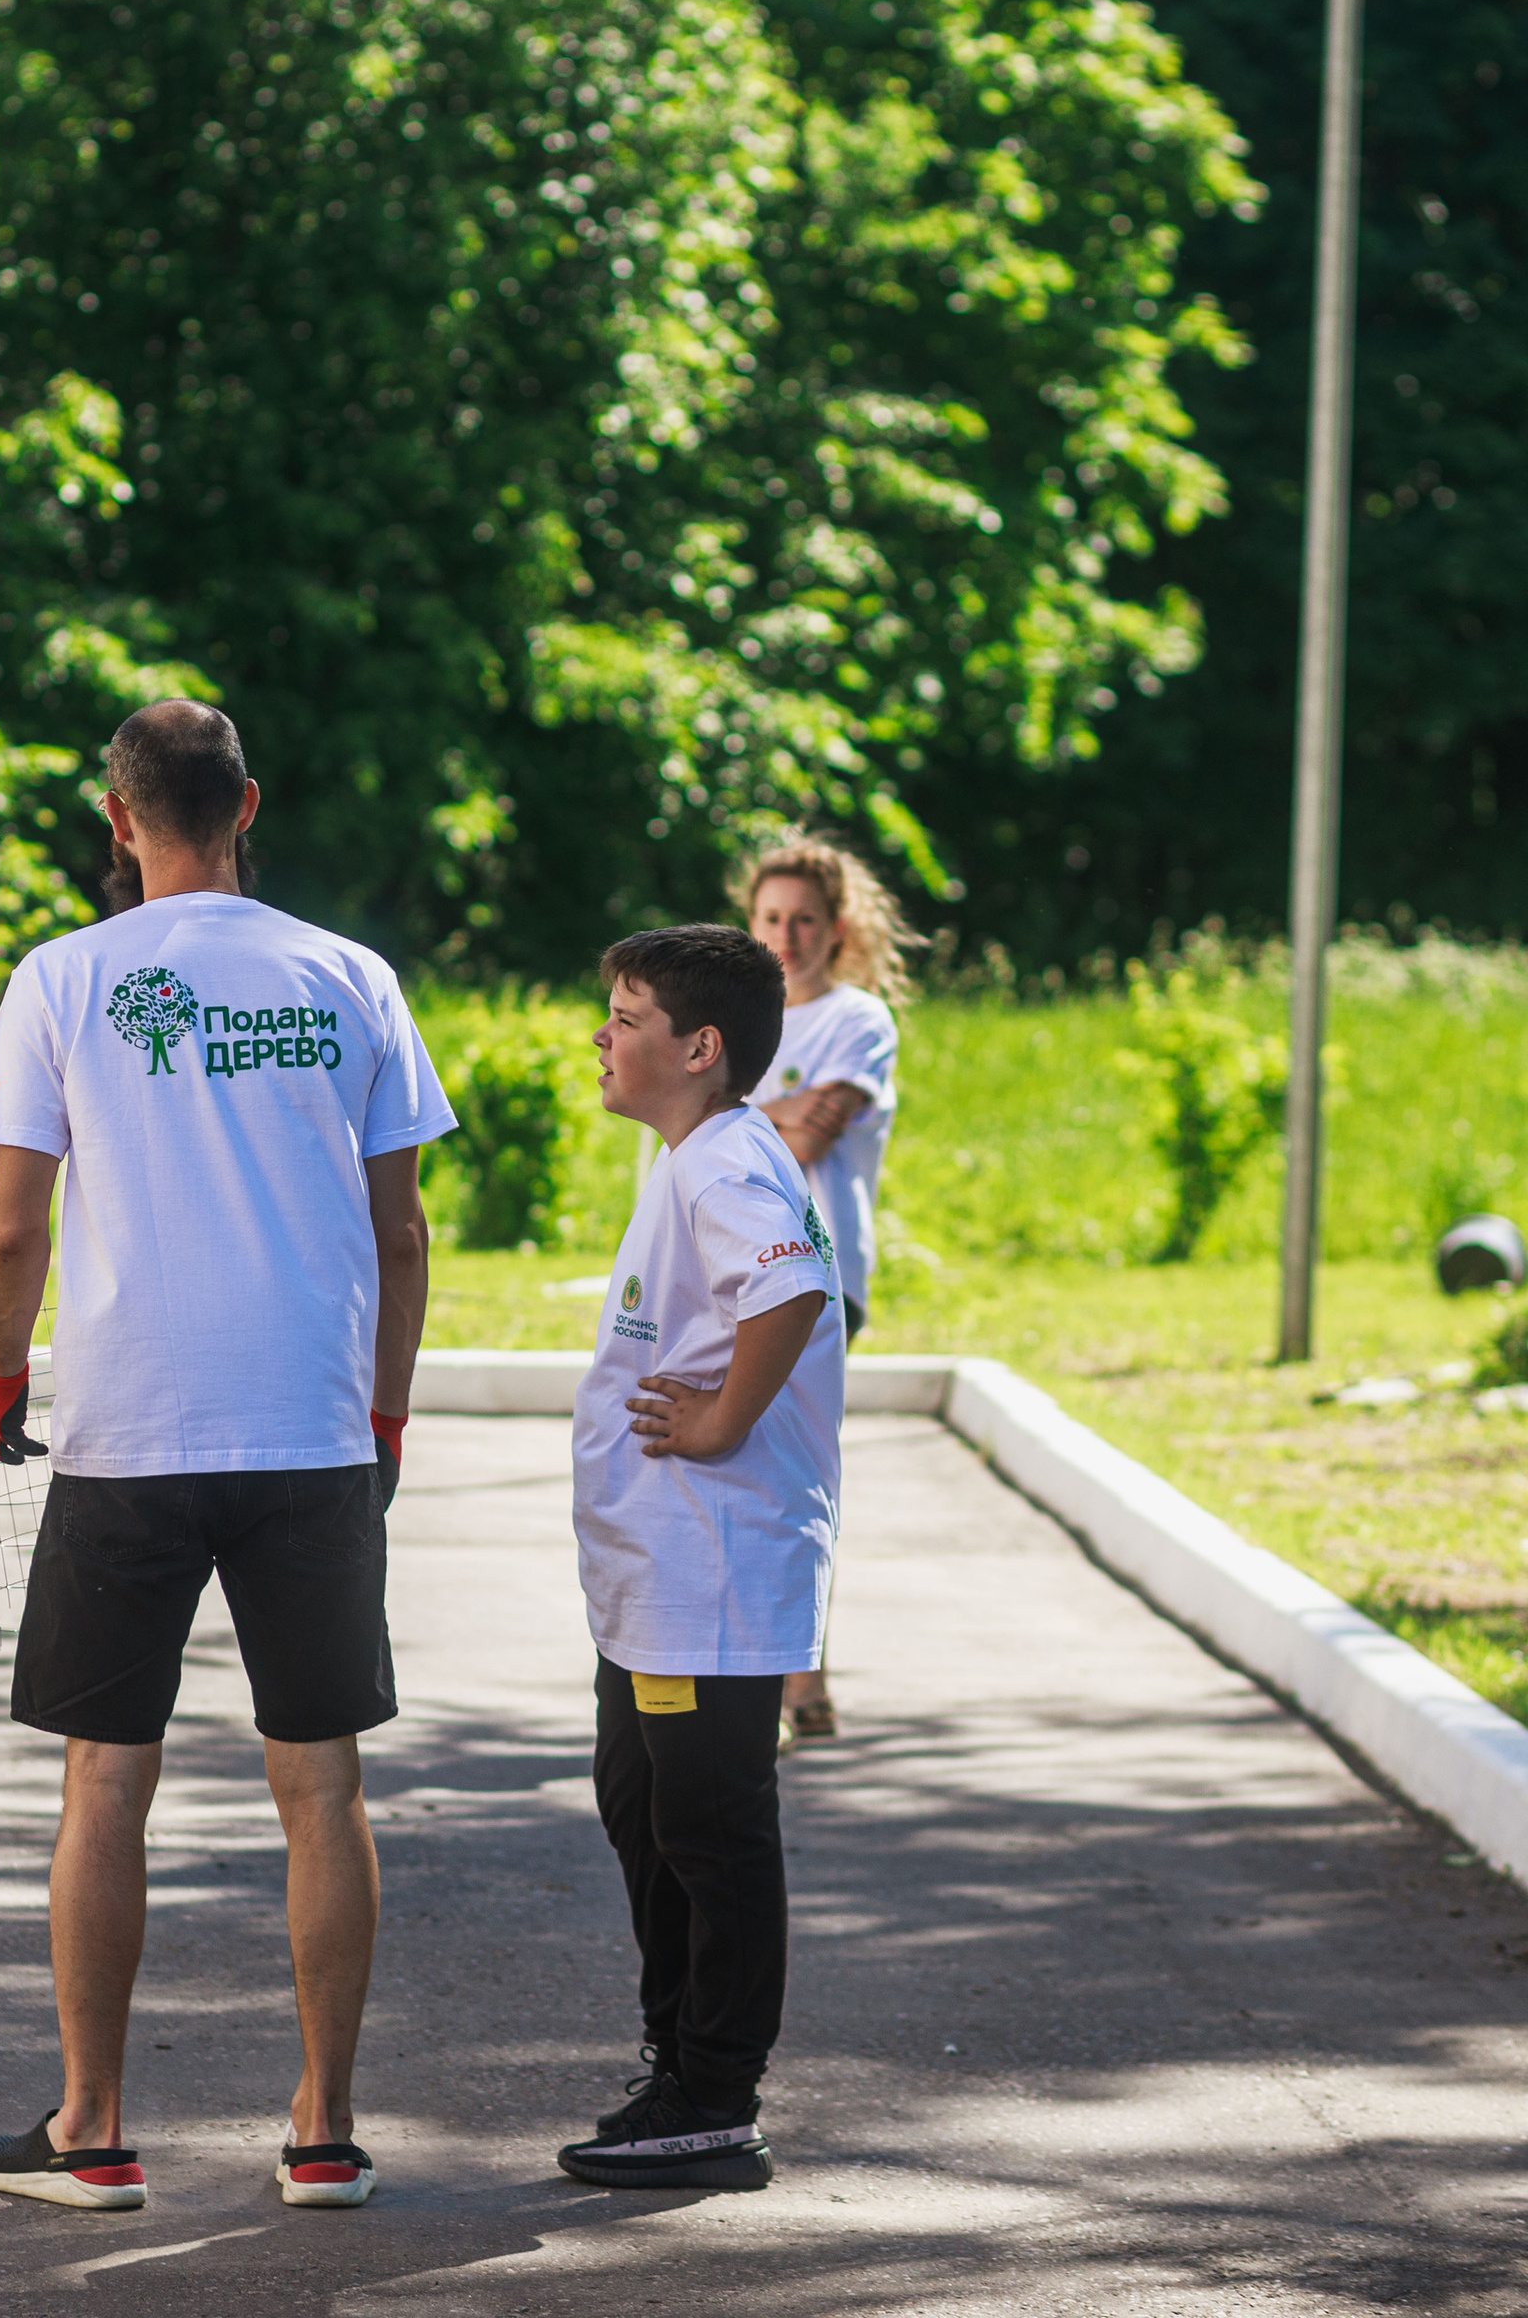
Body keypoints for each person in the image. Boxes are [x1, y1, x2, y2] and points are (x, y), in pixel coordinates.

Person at [0, 700, 450, 2215]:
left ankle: (93, 2129)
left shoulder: (62, 979)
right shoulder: (348, 976)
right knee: (324, 1789)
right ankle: (325, 2132)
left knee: (107, 1781)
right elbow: (403, 1227)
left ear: (117, 820)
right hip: (307, 1426)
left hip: (129, 1431)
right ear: (251, 803)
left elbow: (12, 1226)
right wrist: (383, 1412)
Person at [554, 925, 843, 2192]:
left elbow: (789, 1294)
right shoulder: (696, 1157)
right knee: (644, 1806)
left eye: (624, 1017)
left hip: (706, 1578)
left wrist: (722, 1419)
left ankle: (716, 2095)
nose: (604, 1039)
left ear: (698, 1046)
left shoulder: (727, 1163)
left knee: (709, 1830)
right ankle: (678, 2061)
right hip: (655, 1584)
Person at [739, 836, 914, 1741]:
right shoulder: (727, 1014)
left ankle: (798, 1677)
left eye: (805, 920)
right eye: (771, 918)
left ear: (837, 929)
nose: (787, 936)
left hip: (817, 1276)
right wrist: (766, 1114)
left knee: (791, 1475)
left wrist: (721, 1110)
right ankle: (756, 1677)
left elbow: (805, 1142)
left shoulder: (858, 1021)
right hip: (719, 1277)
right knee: (726, 1472)